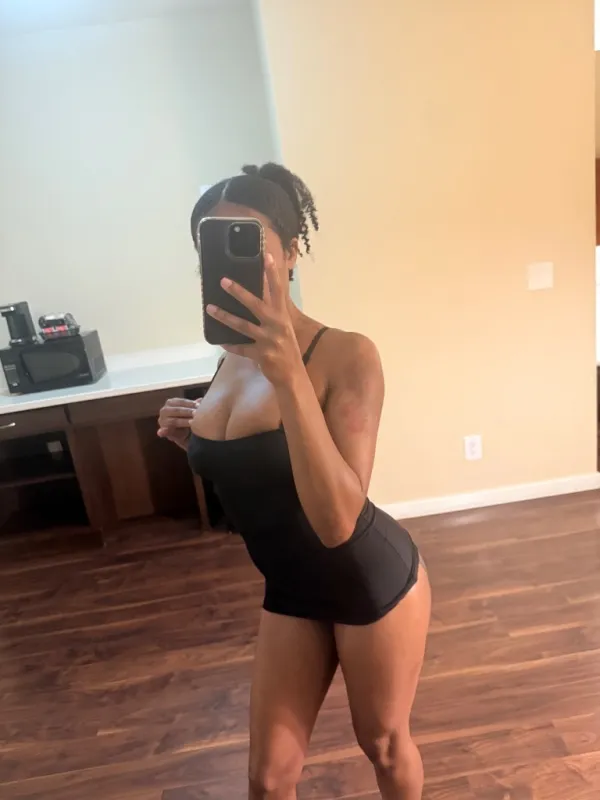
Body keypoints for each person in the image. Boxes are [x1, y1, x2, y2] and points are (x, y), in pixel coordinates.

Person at [157, 163, 431, 800]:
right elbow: (263, 471)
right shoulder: (227, 358)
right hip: (291, 587)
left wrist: (287, 374)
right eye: (209, 247)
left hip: (369, 582)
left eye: (249, 242)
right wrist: (196, 439)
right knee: (268, 778)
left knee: (384, 745)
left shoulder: (347, 354)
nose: (228, 264)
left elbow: (338, 522)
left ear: (290, 251)